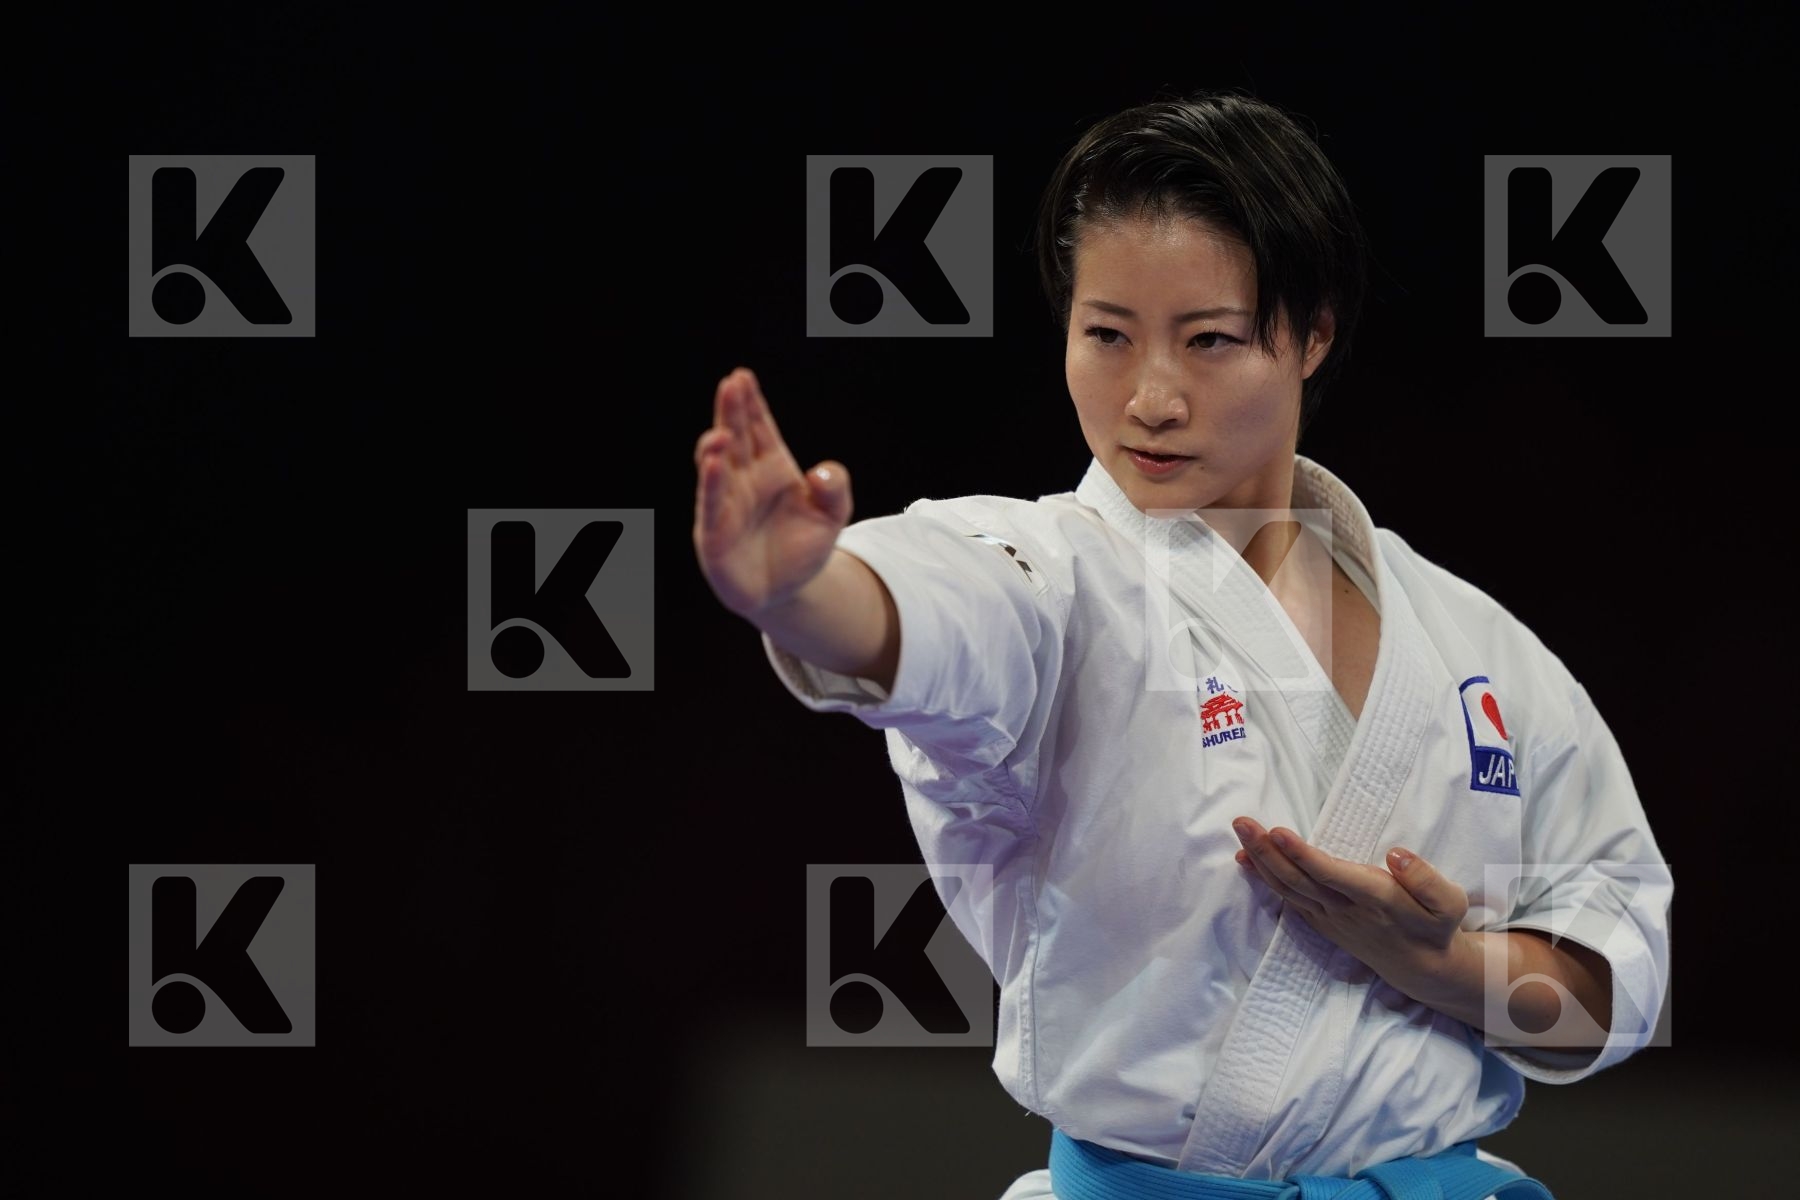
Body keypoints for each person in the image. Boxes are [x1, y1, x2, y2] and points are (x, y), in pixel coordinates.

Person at [692, 90, 1671, 1200]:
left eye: (1209, 341)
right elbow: (929, 610)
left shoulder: (1476, 642)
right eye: (1106, 335)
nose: (1150, 398)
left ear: (1312, 336)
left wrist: (1447, 966)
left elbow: (1613, 982)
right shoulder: (1057, 578)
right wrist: (801, 591)